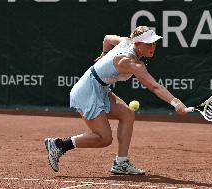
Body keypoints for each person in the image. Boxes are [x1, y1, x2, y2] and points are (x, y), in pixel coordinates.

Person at [44, 26, 187, 175]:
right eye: (148, 43)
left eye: (154, 43)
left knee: (128, 114)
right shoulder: (130, 62)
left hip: (101, 88)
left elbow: (107, 38)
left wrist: (104, 54)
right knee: (104, 138)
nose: (153, 47)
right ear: (137, 43)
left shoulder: (126, 41)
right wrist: (176, 102)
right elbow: (155, 87)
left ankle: (121, 163)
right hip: (87, 90)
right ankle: (59, 145)